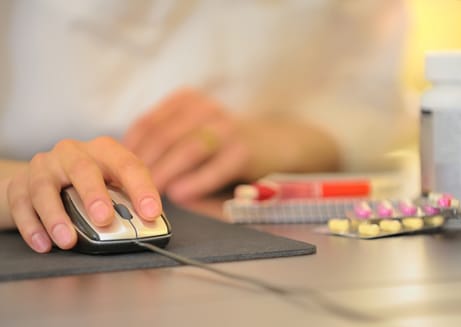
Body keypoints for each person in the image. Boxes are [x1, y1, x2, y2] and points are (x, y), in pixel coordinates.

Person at [0, 0, 411, 253]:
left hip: (247, 210)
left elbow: (369, 98)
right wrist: (21, 186)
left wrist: (282, 140)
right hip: (28, 210)